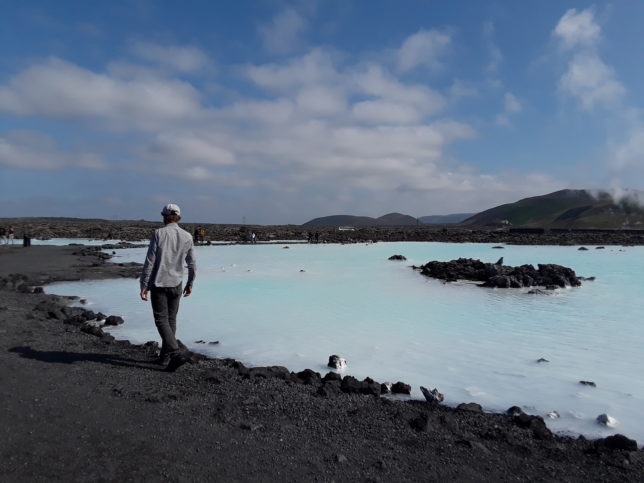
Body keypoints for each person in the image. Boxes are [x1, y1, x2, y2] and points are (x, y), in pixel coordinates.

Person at [140, 203, 196, 372]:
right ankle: (164, 358)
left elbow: (150, 261)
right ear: (178, 217)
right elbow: (192, 263)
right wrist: (191, 282)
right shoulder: (187, 236)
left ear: (164, 216)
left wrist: (144, 284)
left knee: (161, 320)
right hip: (177, 284)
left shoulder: (158, 233)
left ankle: (174, 352)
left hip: (159, 283)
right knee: (171, 320)